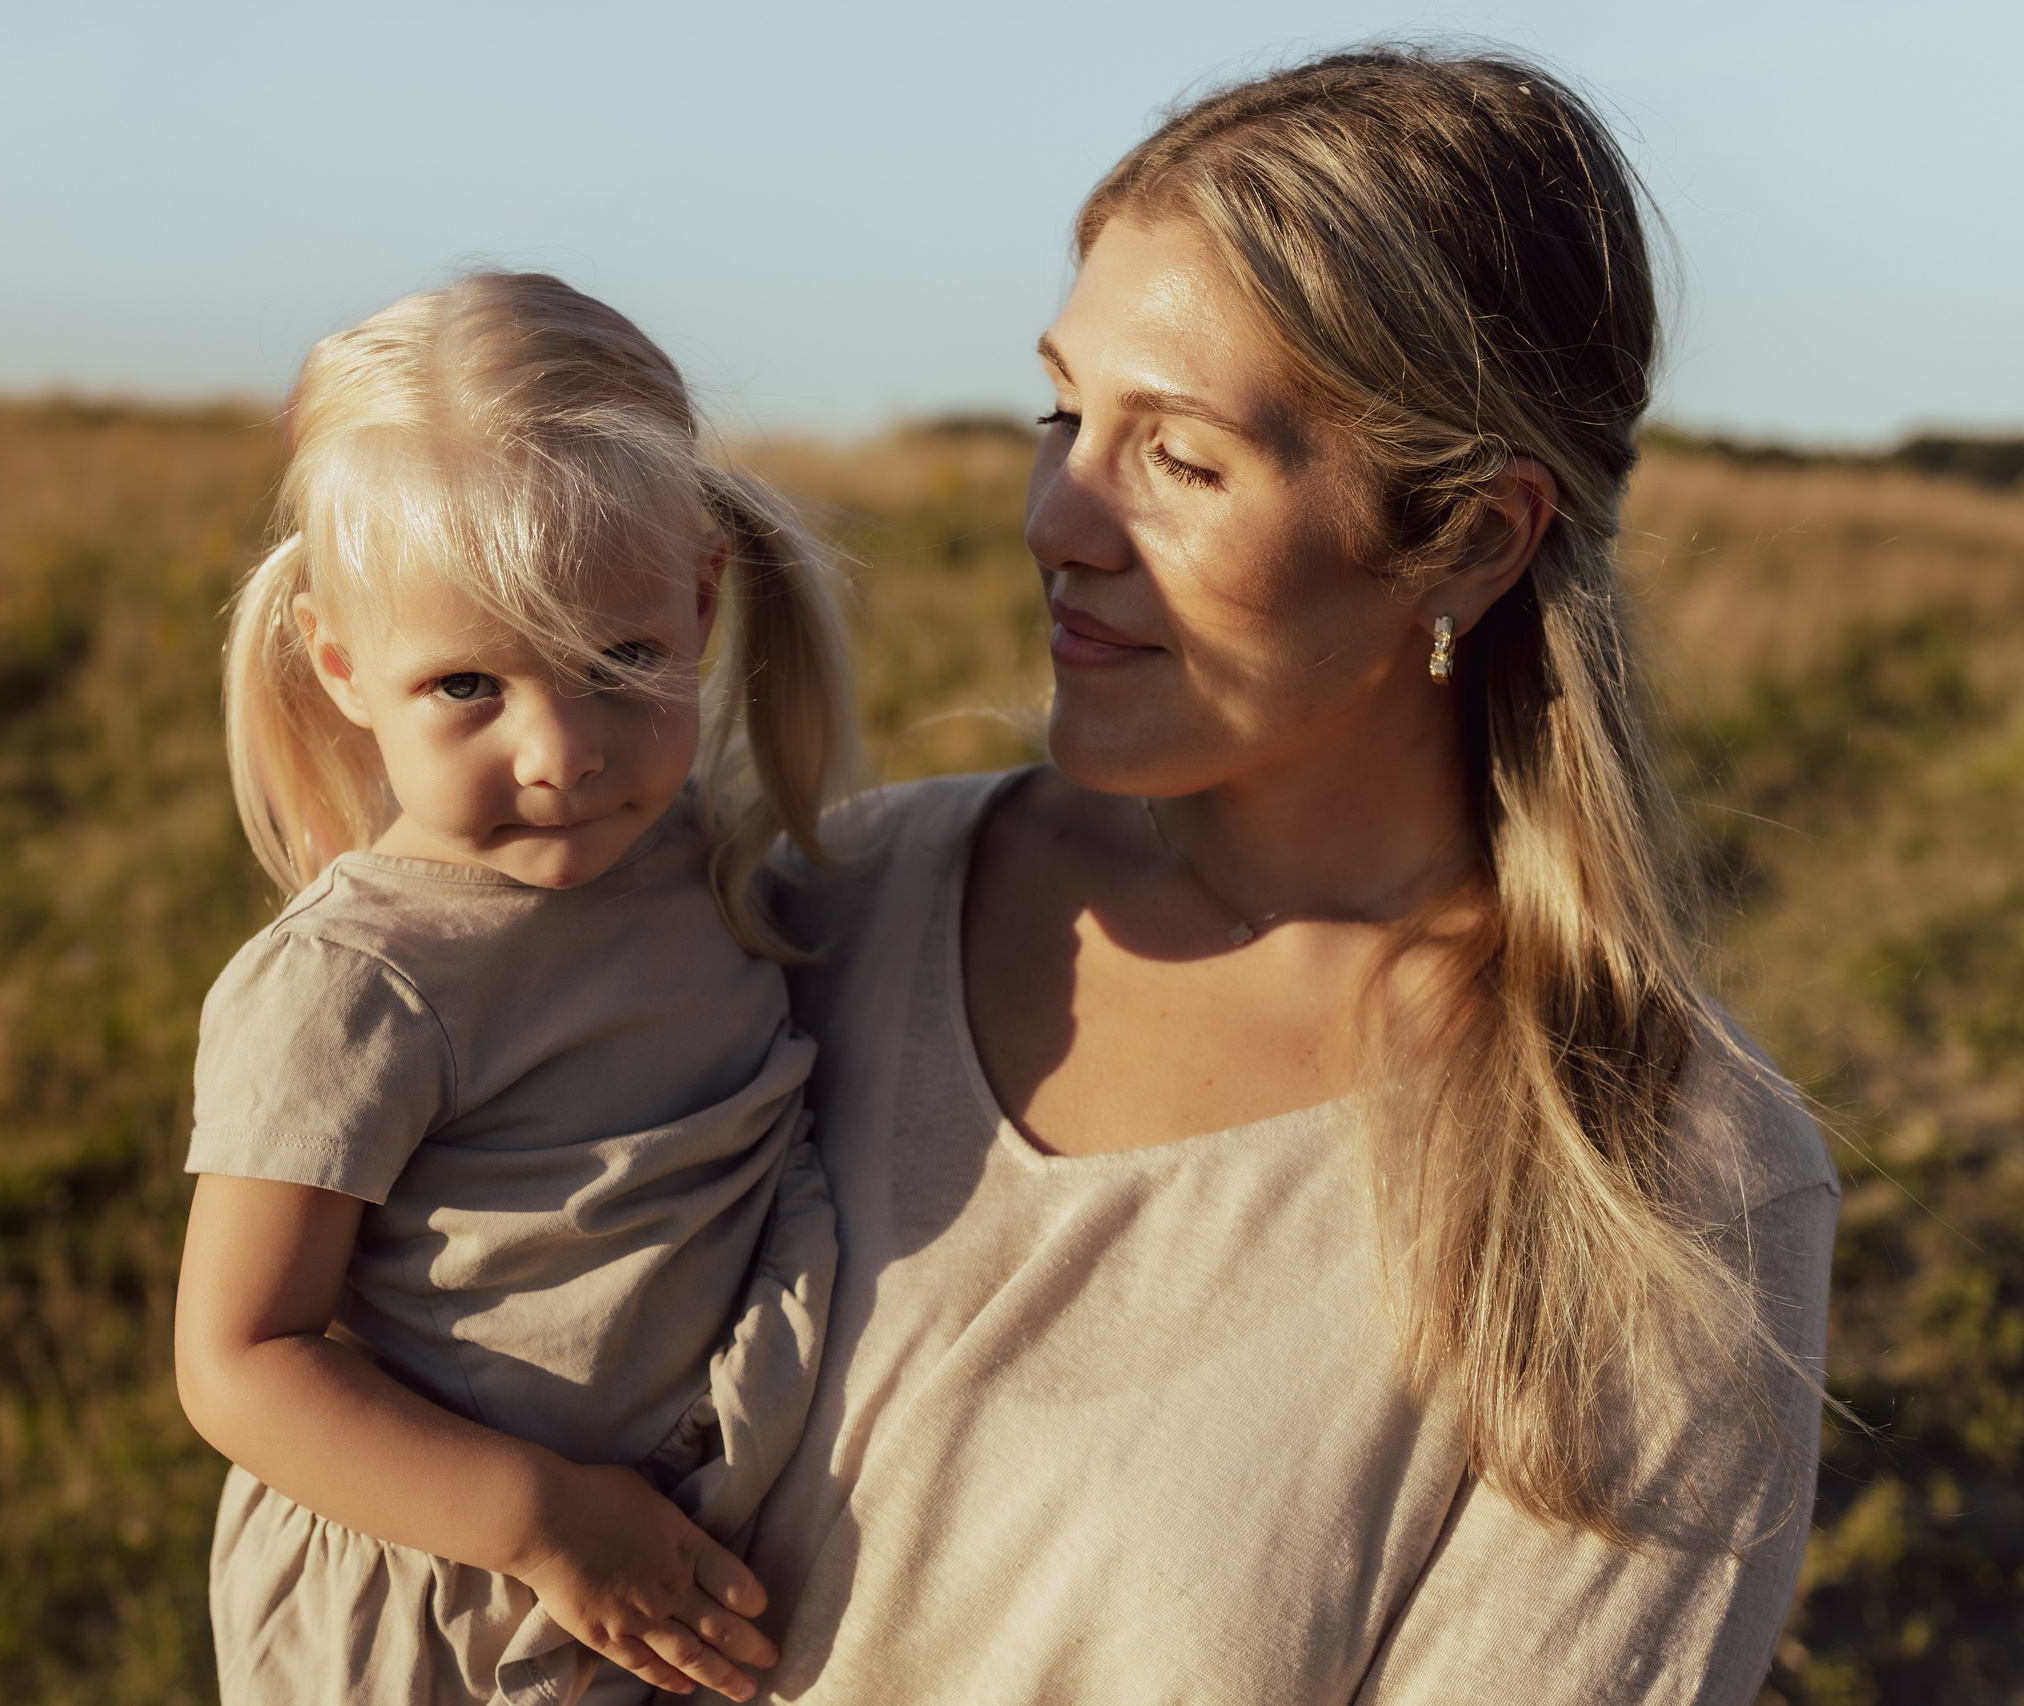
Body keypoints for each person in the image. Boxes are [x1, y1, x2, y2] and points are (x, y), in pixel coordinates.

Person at [743, 48, 1837, 1704]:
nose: (1059, 514)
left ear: (1473, 535)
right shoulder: (826, 903)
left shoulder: (1658, 1187)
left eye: (1180, 458)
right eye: (1065, 411)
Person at [171, 272, 857, 1706]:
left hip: (660, 1574)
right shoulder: (356, 983)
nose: (561, 751)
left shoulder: (697, 864)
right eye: (468, 686)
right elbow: (240, 1359)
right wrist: (544, 1518)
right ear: (345, 668)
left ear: (704, 603)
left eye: (622, 659)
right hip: (439, 1602)